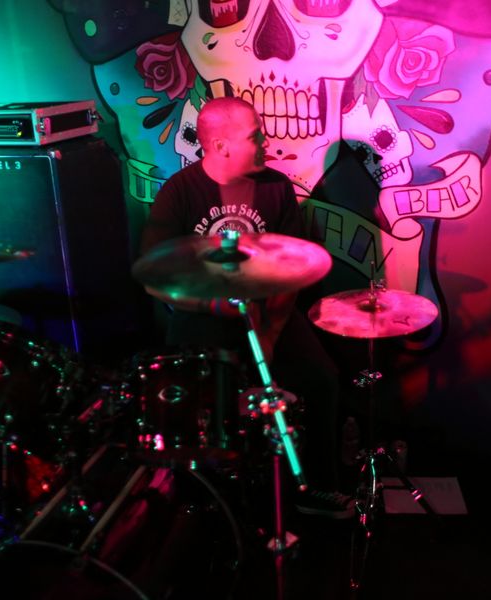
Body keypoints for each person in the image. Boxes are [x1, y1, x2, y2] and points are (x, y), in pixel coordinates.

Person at [139, 97, 352, 519]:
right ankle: (195, 495)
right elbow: (155, 278)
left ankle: (313, 486)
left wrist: (269, 335)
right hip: (203, 314)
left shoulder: (276, 187)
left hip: (266, 312)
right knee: (188, 391)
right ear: (220, 145)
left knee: (322, 379)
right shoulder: (179, 191)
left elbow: (292, 270)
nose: (266, 143)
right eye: (255, 136)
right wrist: (214, 305)